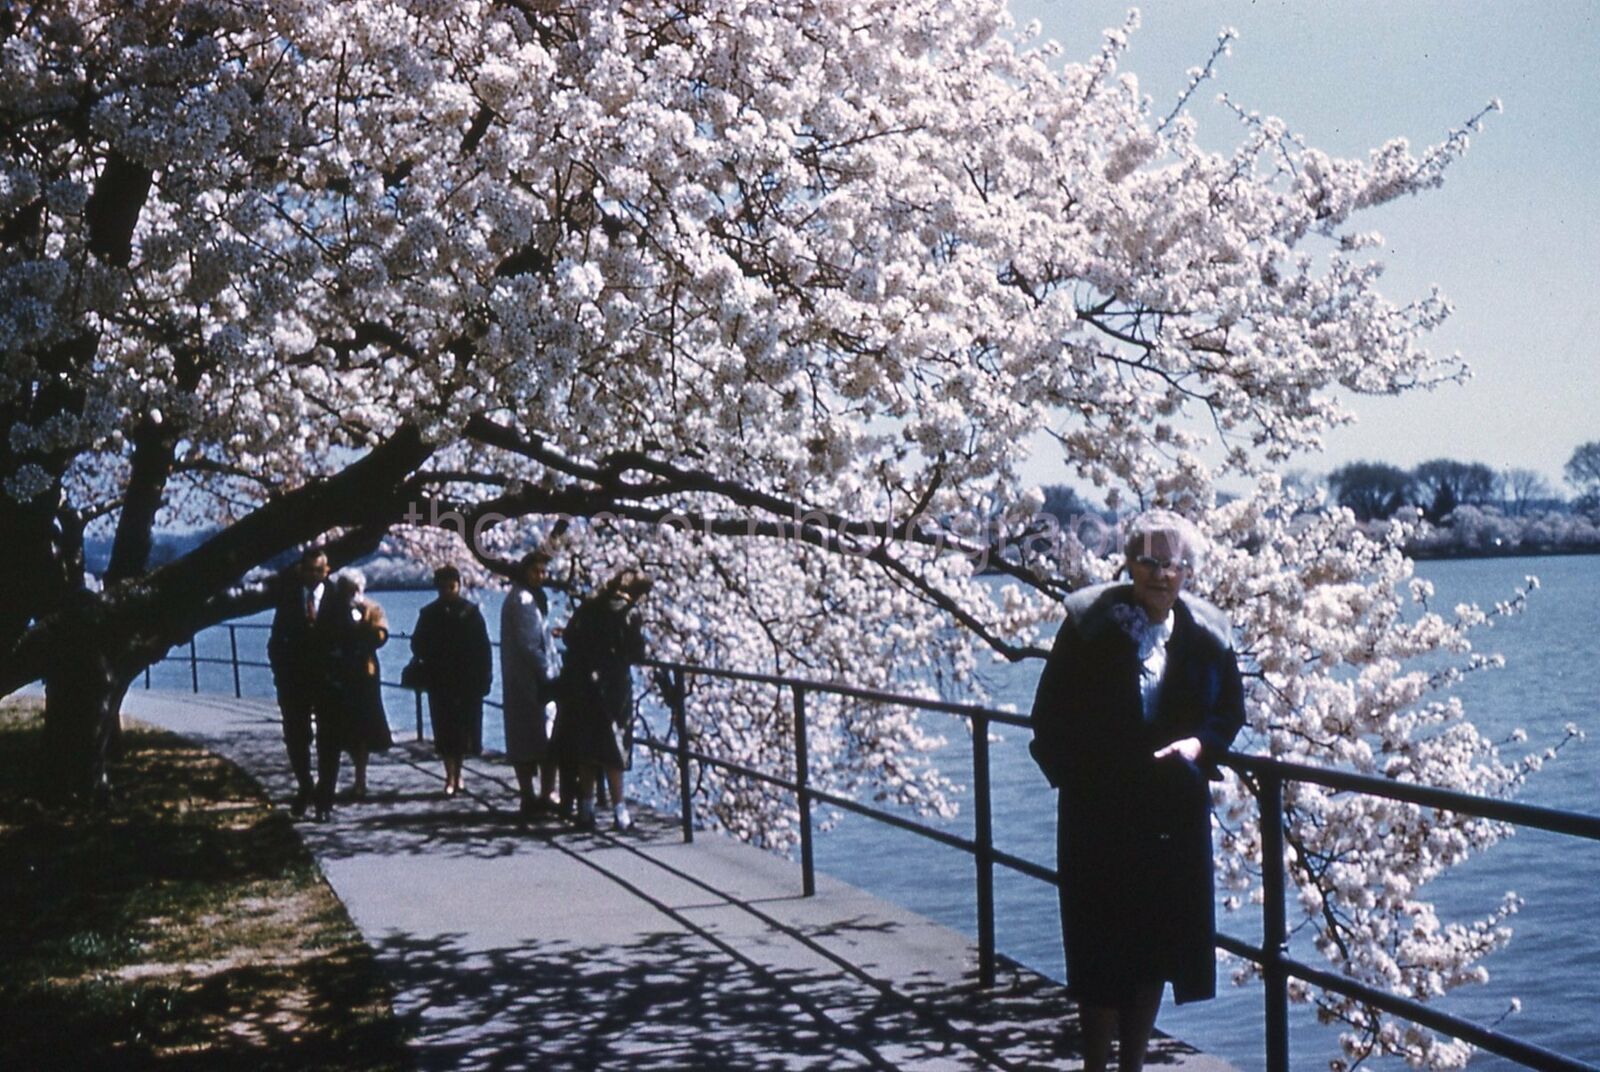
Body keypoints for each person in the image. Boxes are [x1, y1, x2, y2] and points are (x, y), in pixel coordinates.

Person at [1028, 510, 1246, 1072]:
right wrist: (1084, 779)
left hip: (1169, 816)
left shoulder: (1208, 634)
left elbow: (1229, 712)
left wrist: (1199, 748)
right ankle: (1095, 1065)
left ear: (1187, 571)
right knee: (1100, 953)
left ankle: (1134, 1065)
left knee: (1153, 949)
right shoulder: (1088, 624)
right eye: (1148, 560)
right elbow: (1048, 718)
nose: (1159, 574)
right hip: (1098, 814)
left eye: (1172, 563)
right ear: (1127, 563)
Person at [552, 569, 652, 830]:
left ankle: (586, 810)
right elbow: (637, 652)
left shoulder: (589, 606)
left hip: (585, 683)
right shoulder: (629, 613)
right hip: (615, 685)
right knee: (615, 745)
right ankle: (620, 812)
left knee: (588, 747)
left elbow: (570, 636)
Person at [410, 565, 492, 797]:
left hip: (467, 680)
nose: (448, 591)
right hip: (441, 680)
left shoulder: (471, 612)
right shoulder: (428, 614)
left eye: (452, 586)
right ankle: (449, 775)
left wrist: (485, 678)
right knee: (444, 729)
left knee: (464, 729)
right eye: (444, 587)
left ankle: (459, 773)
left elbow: (483, 648)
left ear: (459, 586)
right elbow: (417, 644)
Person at [267, 546, 332, 818]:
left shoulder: (338, 599)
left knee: (329, 741)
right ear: (301, 571)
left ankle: (324, 801)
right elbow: (276, 641)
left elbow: (347, 638)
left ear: (327, 571)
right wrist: (282, 674)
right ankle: (306, 785)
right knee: (296, 737)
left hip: (329, 683)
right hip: (294, 682)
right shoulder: (289, 600)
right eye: (310, 570)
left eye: (320, 570)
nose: (314, 575)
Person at [501, 550, 561, 819]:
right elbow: (529, 644)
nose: (541, 576)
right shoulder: (524, 600)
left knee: (528, 738)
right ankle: (541, 794)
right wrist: (549, 673)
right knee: (541, 737)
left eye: (543, 572)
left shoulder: (524, 597)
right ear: (525, 571)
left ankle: (534, 794)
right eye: (536, 571)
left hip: (523, 678)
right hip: (531, 680)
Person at [325, 569, 393, 801]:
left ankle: (360, 781)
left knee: (362, 729)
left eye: (354, 589)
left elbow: (381, 637)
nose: (350, 594)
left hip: (364, 675)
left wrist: (365, 623)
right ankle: (331, 781)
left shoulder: (372, 608)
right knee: (337, 729)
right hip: (337, 673)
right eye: (346, 590)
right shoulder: (332, 609)